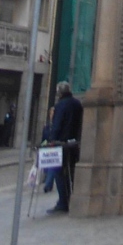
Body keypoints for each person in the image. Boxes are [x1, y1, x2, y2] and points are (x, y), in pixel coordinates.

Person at [47, 82, 82, 214]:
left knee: (59, 172)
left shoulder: (60, 105)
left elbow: (57, 125)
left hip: (61, 143)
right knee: (72, 170)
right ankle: (74, 197)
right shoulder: (77, 104)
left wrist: (51, 140)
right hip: (74, 143)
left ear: (59, 93)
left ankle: (64, 201)